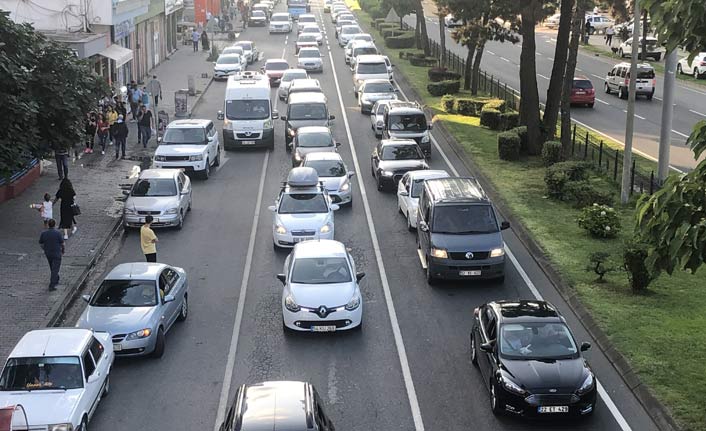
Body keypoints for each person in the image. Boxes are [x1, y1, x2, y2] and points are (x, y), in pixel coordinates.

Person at [39, 219, 64, 291]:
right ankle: (52, 284)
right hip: (56, 253)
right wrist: (63, 250)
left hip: (48, 253)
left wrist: (44, 249)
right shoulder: (58, 233)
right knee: (55, 268)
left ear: (48, 225)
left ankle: (56, 278)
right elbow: (62, 243)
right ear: (55, 225)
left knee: (52, 266)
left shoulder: (44, 233)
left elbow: (41, 243)